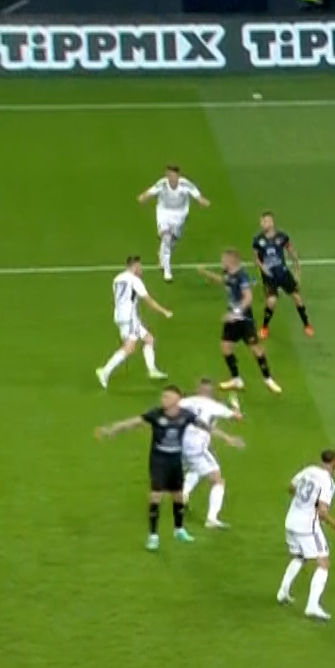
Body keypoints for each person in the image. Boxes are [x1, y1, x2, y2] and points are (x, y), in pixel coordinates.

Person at [95, 384, 241, 551]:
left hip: (175, 460)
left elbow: (206, 427)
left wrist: (228, 438)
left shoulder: (186, 414)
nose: (163, 399)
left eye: (167, 397)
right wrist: (112, 429)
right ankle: (153, 536)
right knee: (156, 497)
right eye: (163, 396)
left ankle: (179, 530)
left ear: (177, 399)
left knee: (178, 497)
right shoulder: (157, 414)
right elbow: (134, 422)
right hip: (159, 461)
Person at [279, 449, 335, 621]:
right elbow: (322, 512)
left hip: (291, 520)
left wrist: (306, 499)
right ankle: (312, 606)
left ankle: (283, 592)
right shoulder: (328, 482)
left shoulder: (309, 470)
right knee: (323, 563)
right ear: (334, 461)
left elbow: (291, 487)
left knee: (299, 556)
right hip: (307, 527)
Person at [200, 249, 281, 394]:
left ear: (231, 261)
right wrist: (207, 274)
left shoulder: (242, 276)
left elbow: (248, 297)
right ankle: (236, 379)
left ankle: (268, 379)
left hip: (244, 319)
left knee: (256, 349)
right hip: (232, 318)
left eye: (224, 259)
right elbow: (224, 281)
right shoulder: (229, 273)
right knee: (226, 347)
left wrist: (236, 313)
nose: (222, 262)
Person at [96, 256, 174, 388]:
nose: (141, 269)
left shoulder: (117, 279)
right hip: (130, 318)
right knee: (129, 348)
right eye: (140, 267)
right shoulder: (135, 280)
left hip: (120, 316)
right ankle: (105, 371)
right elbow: (148, 300)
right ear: (135, 266)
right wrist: (164, 311)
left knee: (149, 339)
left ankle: (152, 370)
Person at [178, 378, 243, 529]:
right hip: (197, 447)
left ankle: (184, 494)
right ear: (211, 391)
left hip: (180, 443)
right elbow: (237, 417)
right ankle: (211, 519)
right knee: (218, 480)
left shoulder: (186, 401)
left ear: (198, 389)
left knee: (196, 468)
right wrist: (235, 405)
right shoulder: (215, 406)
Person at [136, 165, 209, 282]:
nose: (170, 178)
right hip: (164, 213)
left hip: (180, 215)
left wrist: (202, 201)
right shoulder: (162, 183)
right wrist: (143, 197)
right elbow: (150, 192)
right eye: (168, 175)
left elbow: (197, 195)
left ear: (178, 175)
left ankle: (162, 255)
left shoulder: (185, 184)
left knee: (173, 241)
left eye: (172, 175)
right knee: (166, 237)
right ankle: (167, 271)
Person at [251, 212, 313, 339]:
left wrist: (297, 270)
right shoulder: (258, 240)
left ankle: (307, 325)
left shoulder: (282, 237)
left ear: (271, 223)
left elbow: (292, 252)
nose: (262, 224)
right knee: (271, 302)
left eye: (265, 221)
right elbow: (256, 259)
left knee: (297, 298)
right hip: (269, 276)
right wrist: (263, 269)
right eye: (262, 221)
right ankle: (264, 327)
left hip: (283, 273)